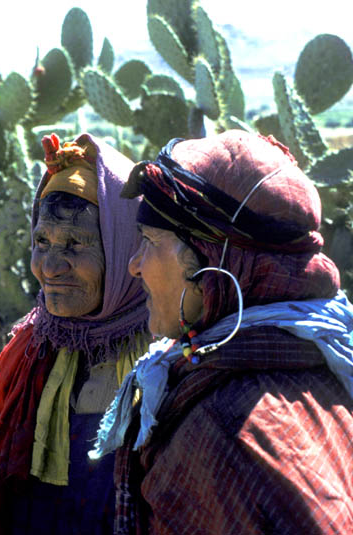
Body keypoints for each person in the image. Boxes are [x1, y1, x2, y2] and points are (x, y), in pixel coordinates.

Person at [90, 130, 353, 534]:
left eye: (150, 240)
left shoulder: (223, 427)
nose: (134, 265)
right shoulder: (323, 356)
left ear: (211, 264)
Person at [0, 133, 150, 534]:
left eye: (74, 244)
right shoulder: (31, 348)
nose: (50, 266)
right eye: (42, 241)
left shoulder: (166, 366)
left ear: (125, 250)